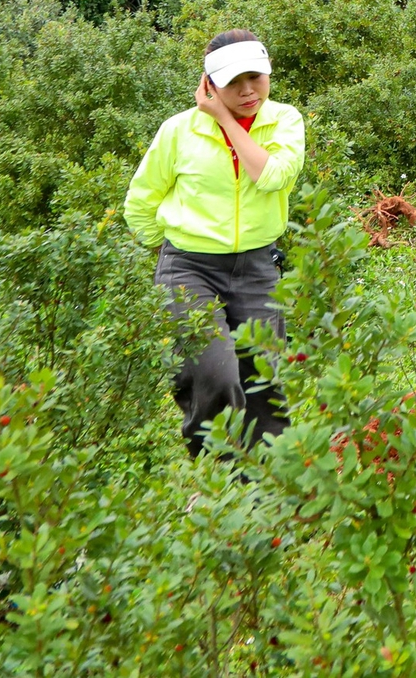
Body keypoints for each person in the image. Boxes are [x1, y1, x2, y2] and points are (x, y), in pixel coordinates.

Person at [124, 30, 307, 456]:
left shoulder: (284, 120)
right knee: (214, 374)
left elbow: (272, 176)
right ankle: (217, 485)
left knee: (263, 380)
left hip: (257, 267)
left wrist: (225, 120)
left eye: (256, 78)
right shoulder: (178, 131)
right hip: (190, 268)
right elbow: (141, 201)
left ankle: (269, 488)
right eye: (232, 82)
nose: (247, 91)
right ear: (209, 84)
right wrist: (169, 254)